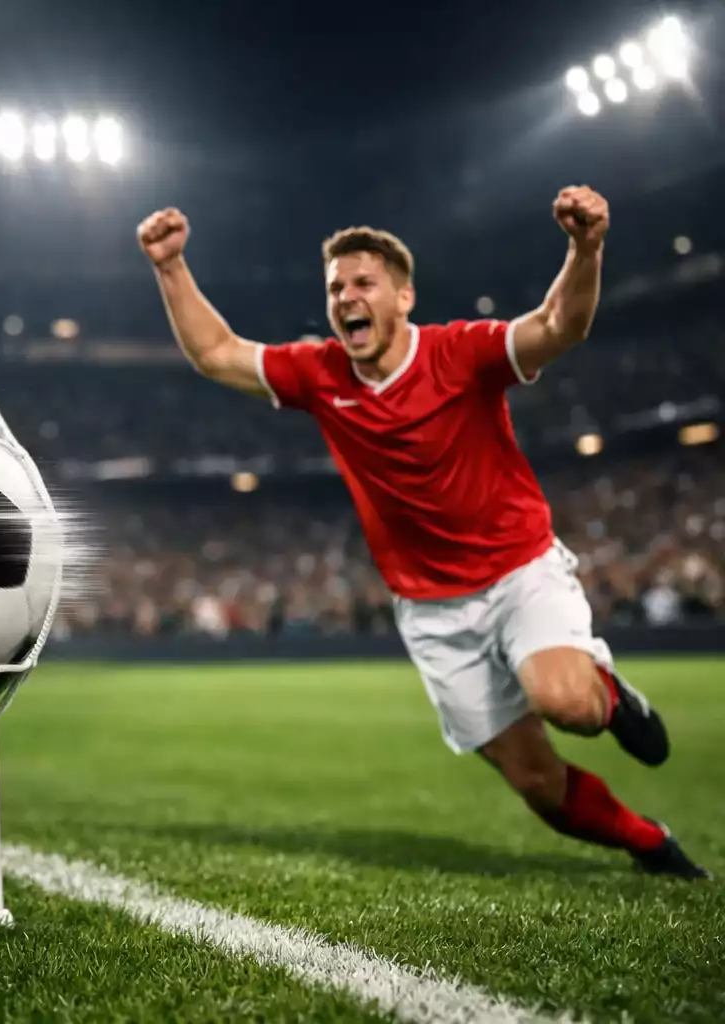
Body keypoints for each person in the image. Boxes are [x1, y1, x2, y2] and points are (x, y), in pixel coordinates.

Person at [137, 187, 708, 880]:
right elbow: (218, 353)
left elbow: (561, 324)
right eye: (335, 286)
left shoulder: (461, 352)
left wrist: (585, 248)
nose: (347, 296)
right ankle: (648, 841)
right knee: (535, 782)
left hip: (518, 569)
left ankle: (614, 699)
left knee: (567, 702)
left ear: (404, 297)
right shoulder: (320, 373)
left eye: (364, 283)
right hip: (430, 609)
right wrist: (170, 266)